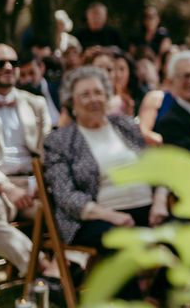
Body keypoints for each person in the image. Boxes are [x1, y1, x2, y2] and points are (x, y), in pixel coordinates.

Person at [43, 66, 168, 297]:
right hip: (94, 219)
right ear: (72, 102)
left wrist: (160, 201)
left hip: (147, 210)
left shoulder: (125, 126)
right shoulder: (60, 141)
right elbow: (66, 195)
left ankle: (161, 298)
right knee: (121, 242)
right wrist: (110, 215)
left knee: (184, 228)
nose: (93, 99)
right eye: (85, 94)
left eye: (98, 92)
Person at [0, 44, 52, 276]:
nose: (8, 67)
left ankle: (73, 266)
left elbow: (50, 149)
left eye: (13, 62)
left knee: (67, 214)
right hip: (0, 187)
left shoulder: (36, 103)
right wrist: (5, 186)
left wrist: (37, 184)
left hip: (34, 184)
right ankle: (43, 268)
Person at [17, 52, 61, 128]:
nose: (28, 79)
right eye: (22, 75)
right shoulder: (16, 100)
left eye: (32, 73)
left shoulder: (59, 88)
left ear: (41, 68)